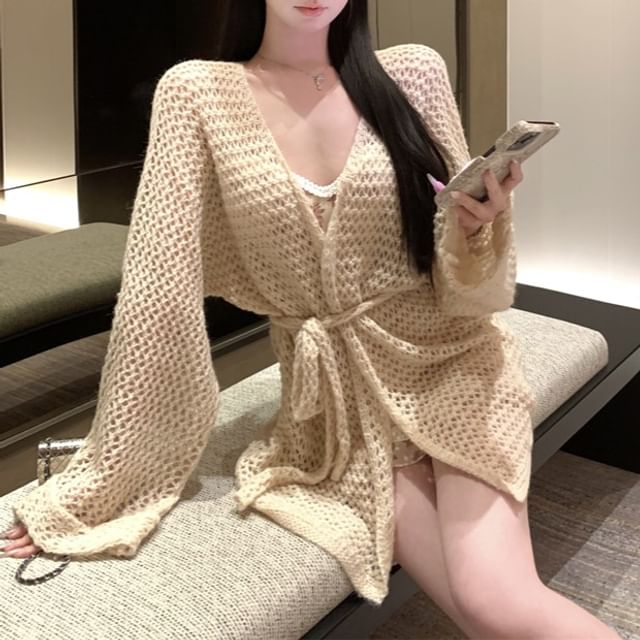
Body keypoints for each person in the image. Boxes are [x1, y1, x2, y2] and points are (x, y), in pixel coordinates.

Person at [2, 1, 621, 637]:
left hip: (450, 365)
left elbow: (470, 288)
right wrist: (104, 479)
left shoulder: (413, 73)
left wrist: (474, 229)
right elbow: (157, 291)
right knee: (482, 607)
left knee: (494, 599)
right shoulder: (197, 93)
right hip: (332, 408)